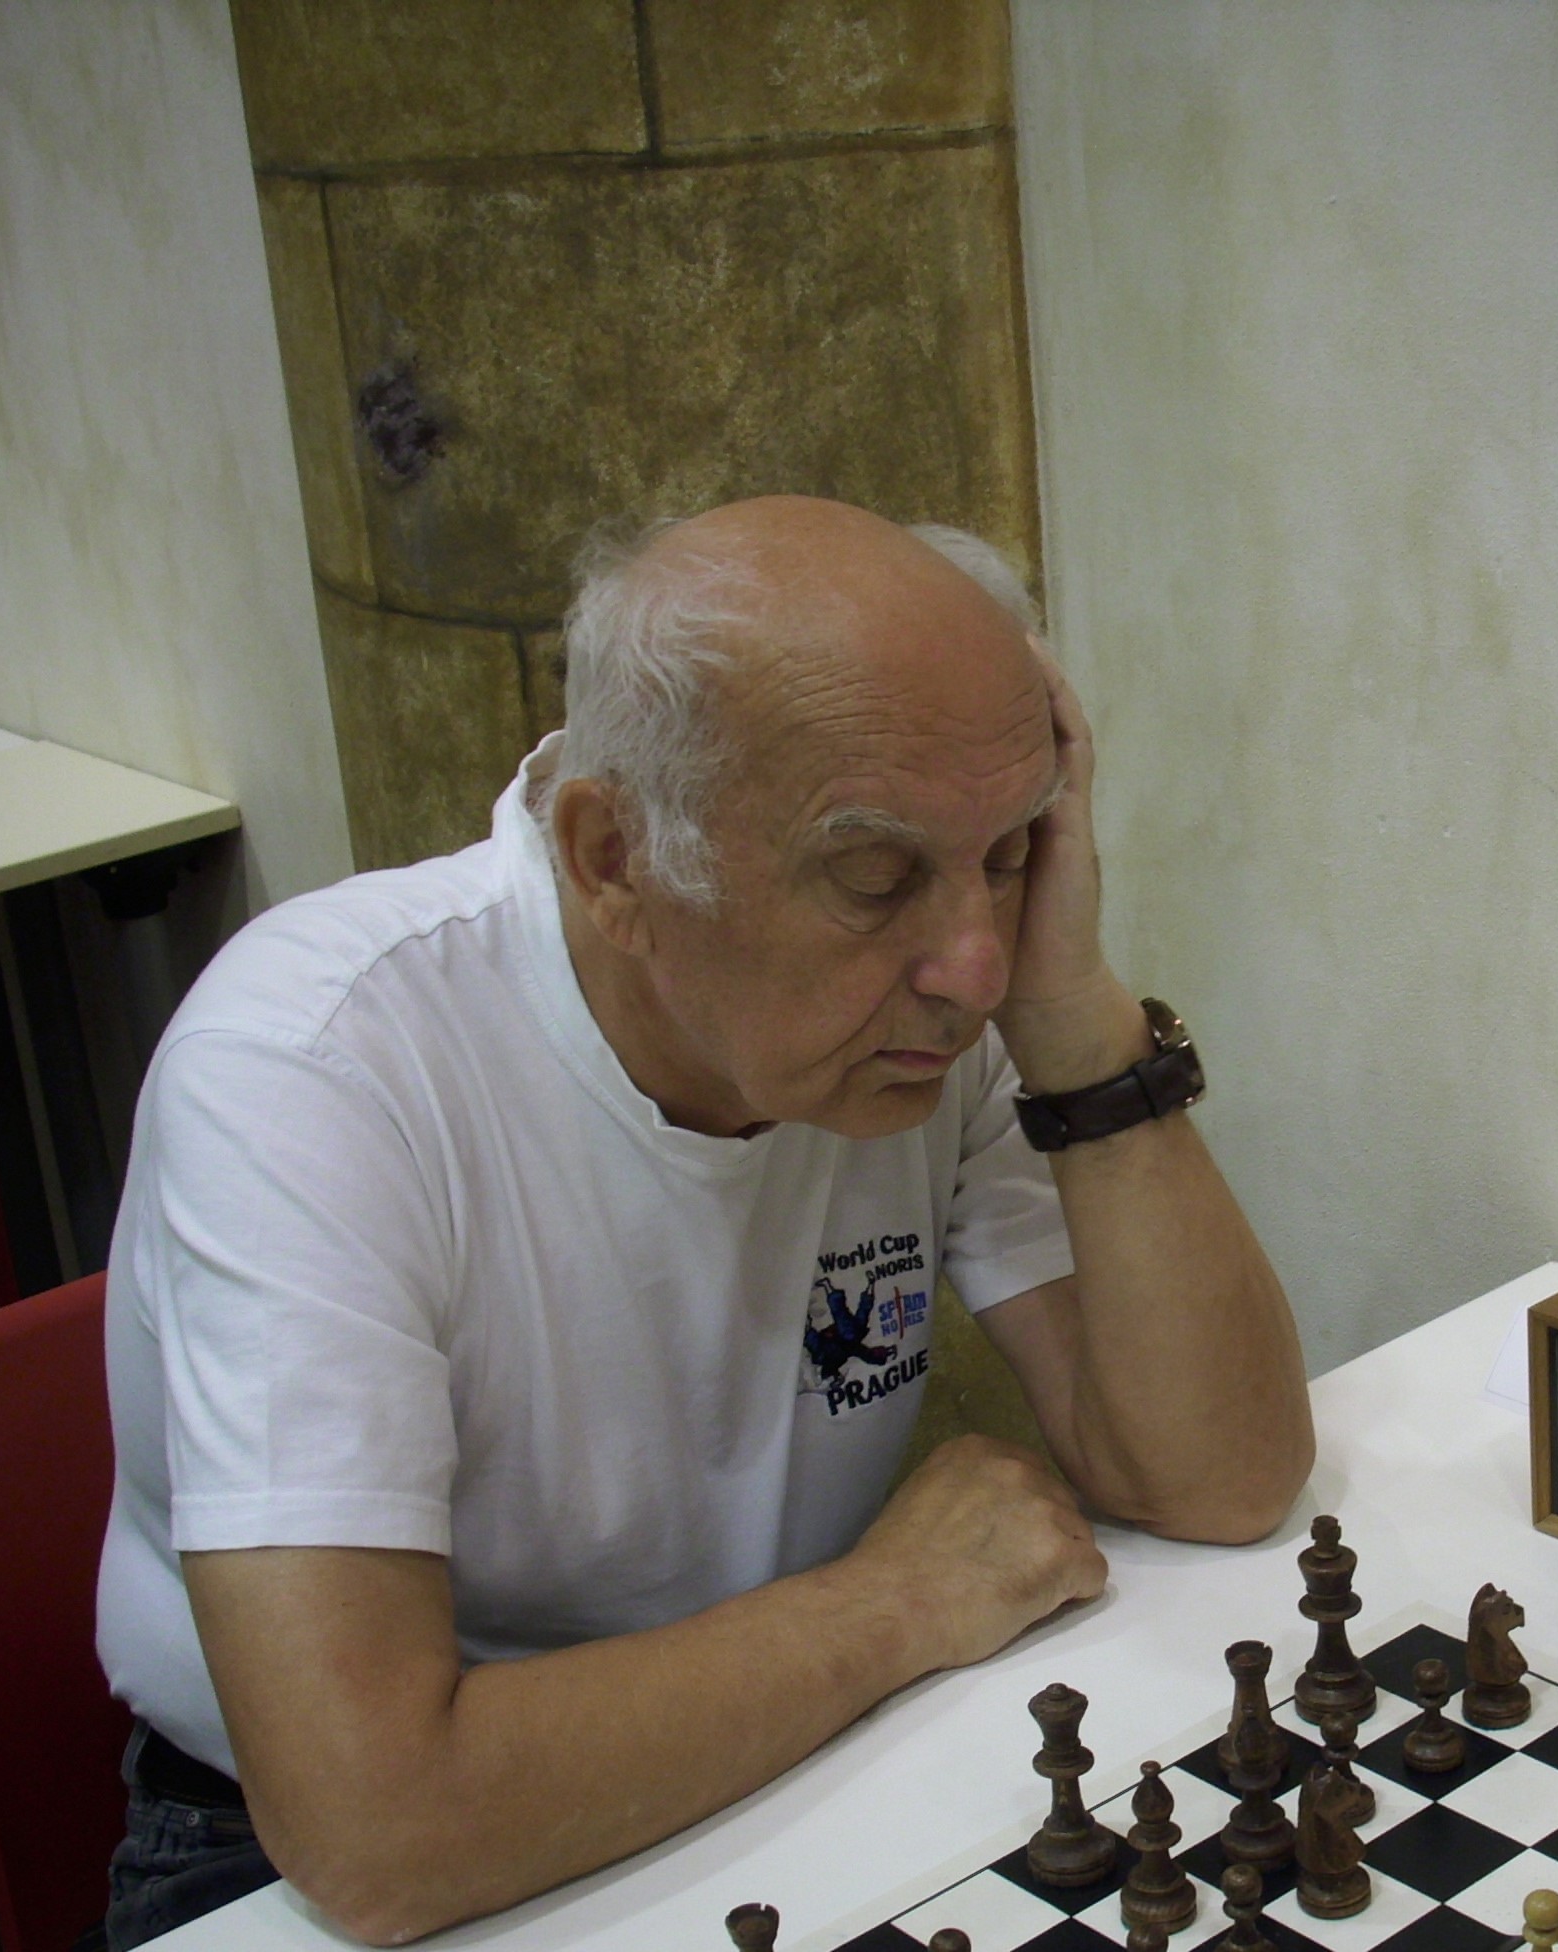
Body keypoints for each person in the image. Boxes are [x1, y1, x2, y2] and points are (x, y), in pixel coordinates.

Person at [93, 496, 1313, 1947]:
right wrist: (890, 1606)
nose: (973, 967)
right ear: (615, 859)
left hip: (783, 1750)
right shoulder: (316, 1074)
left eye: (1007, 855)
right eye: (876, 877)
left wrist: (1073, 1010)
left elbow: (1223, 1480)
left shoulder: (936, 1016)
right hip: (291, 1873)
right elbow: (377, 1829)